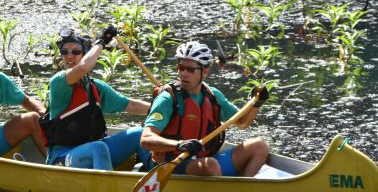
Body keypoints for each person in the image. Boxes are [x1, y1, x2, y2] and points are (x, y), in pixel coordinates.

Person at [140, 41, 269, 176]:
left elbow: (242, 122)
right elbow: (145, 139)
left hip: (205, 161)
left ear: (205, 72)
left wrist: (257, 104)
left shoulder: (213, 96)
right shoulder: (167, 99)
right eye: (181, 67)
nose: (183, 73)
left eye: (190, 69)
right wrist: (178, 144)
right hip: (173, 164)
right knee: (210, 166)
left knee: (259, 146)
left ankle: (244, 189)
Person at [40, 25, 151, 170]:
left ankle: (156, 180)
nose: (69, 56)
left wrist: (163, 108)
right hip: (62, 158)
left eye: (76, 51)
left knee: (140, 134)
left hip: (94, 150)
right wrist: (101, 42)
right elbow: (84, 68)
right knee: (98, 147)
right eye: (64, 52)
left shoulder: (96, 87)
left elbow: (131, 105)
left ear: (85, 54)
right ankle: (108, 190)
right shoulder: (58, 81)